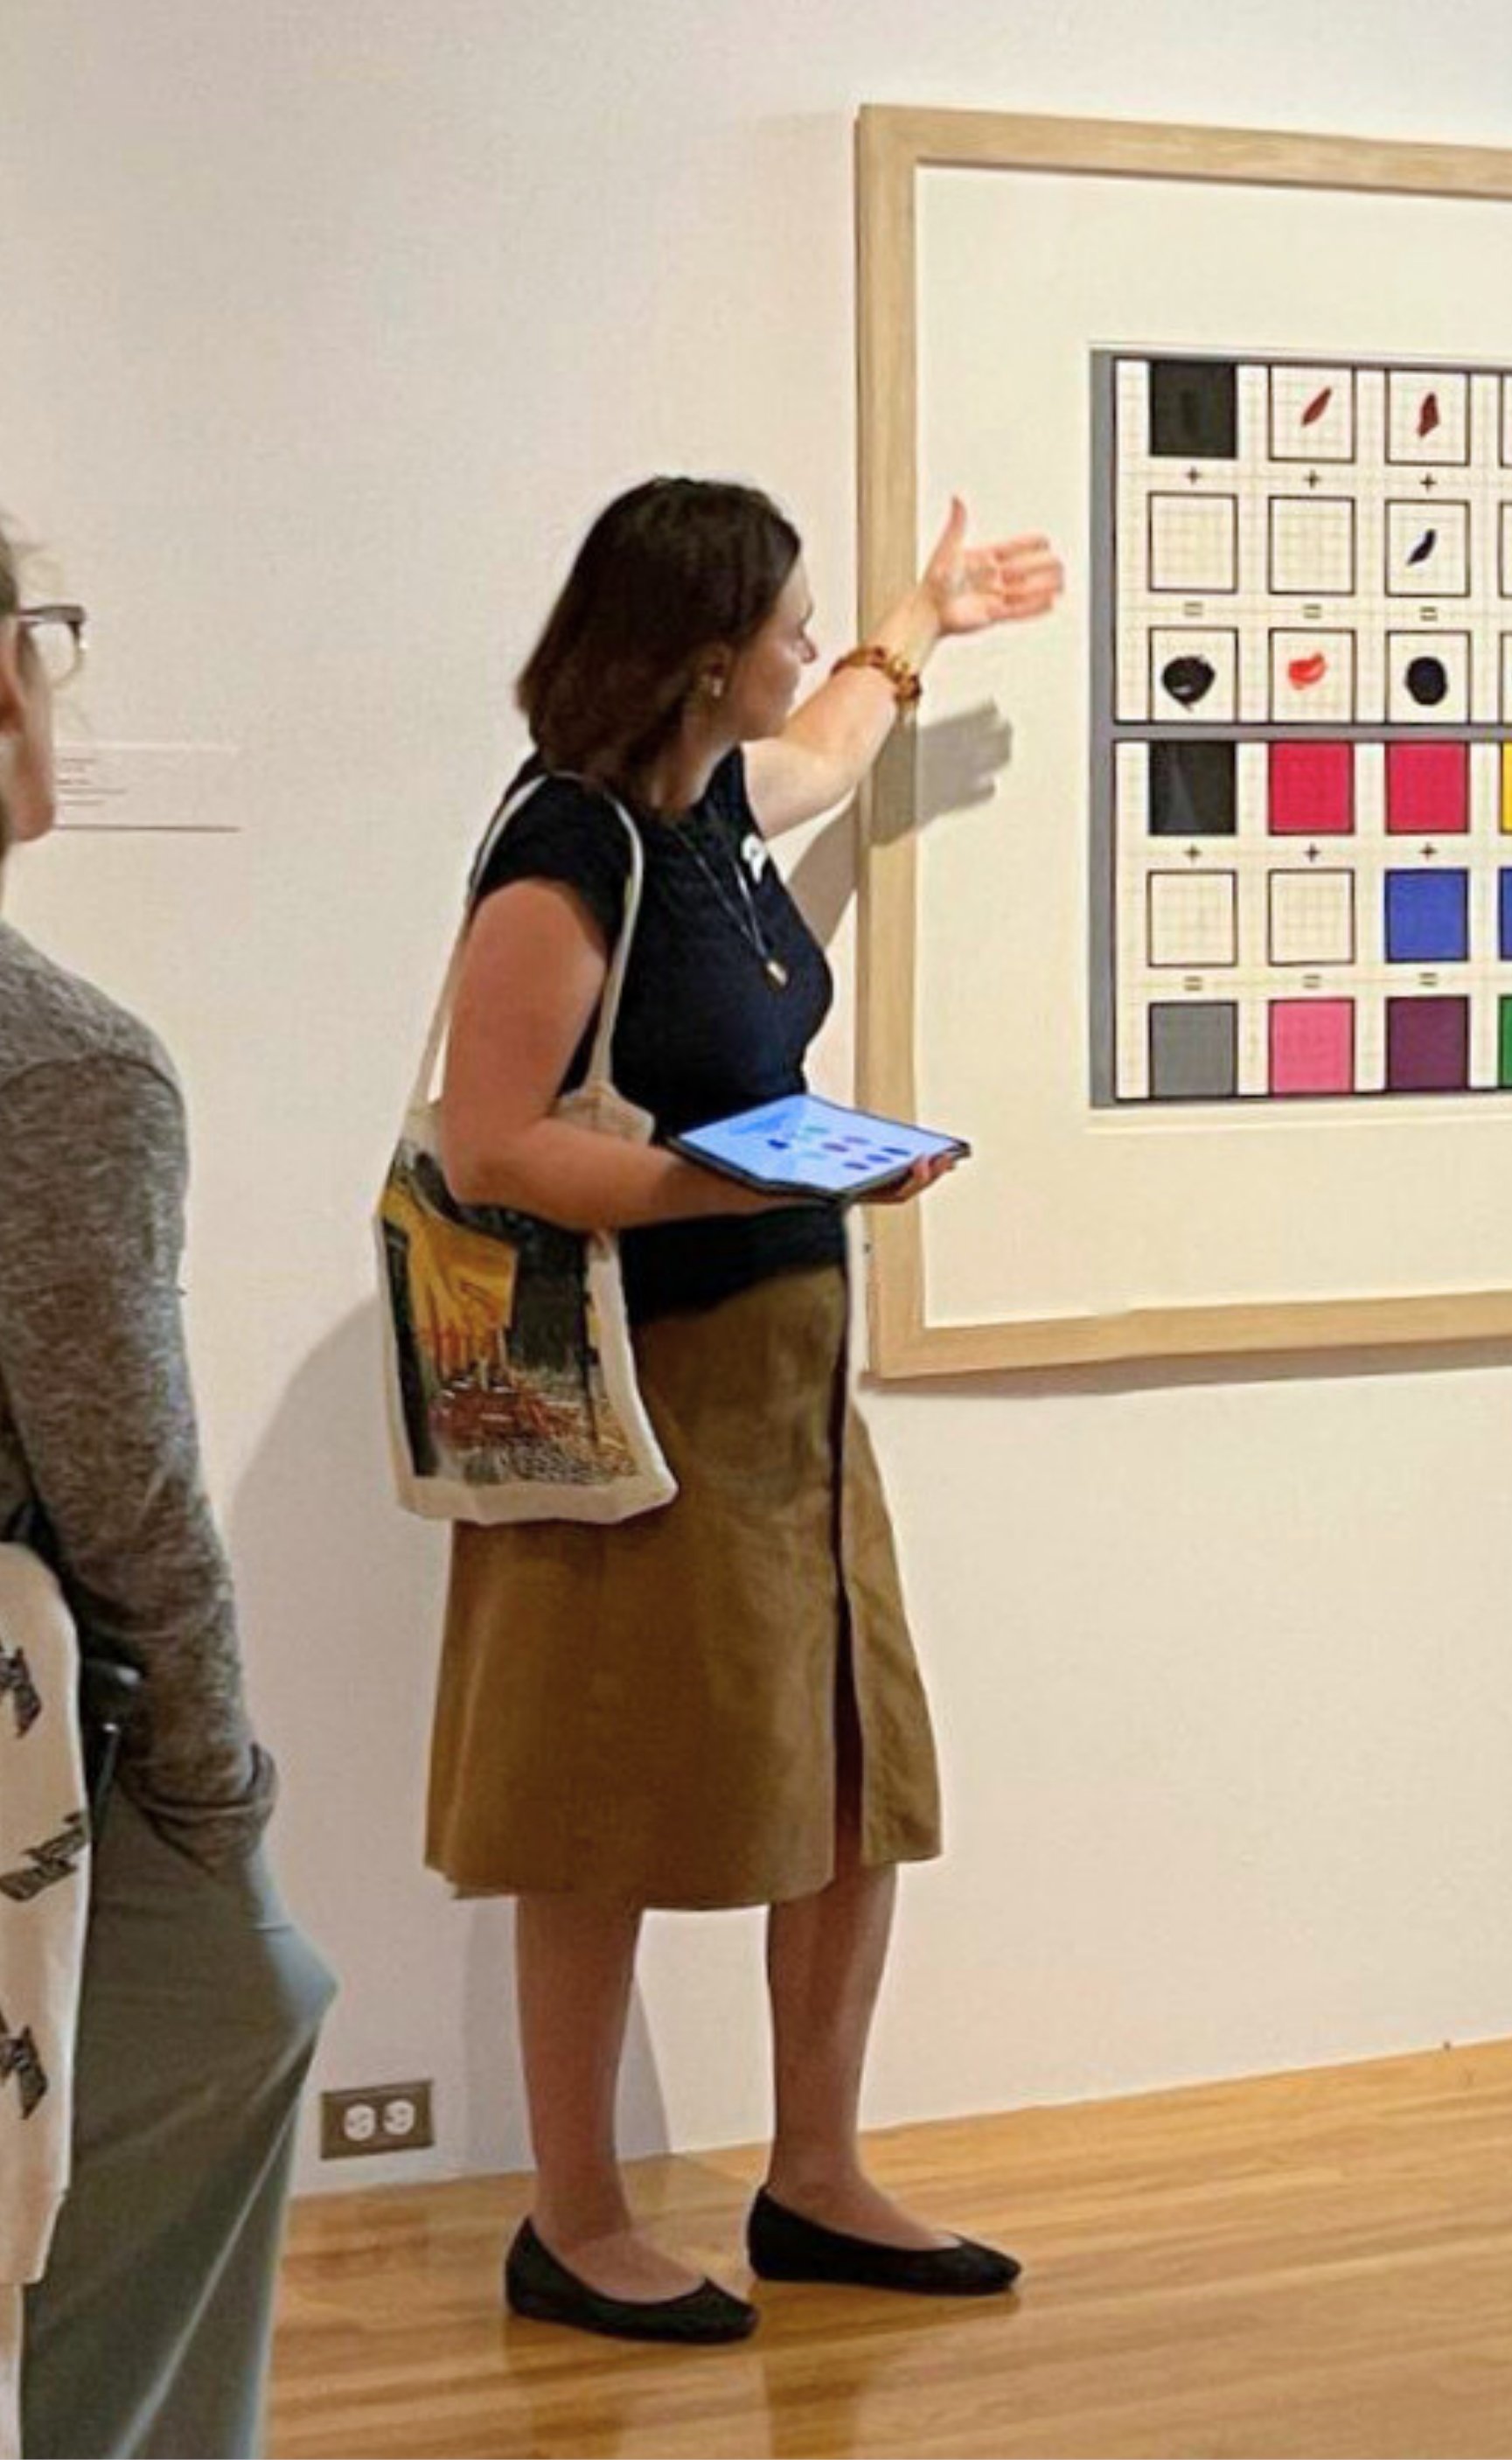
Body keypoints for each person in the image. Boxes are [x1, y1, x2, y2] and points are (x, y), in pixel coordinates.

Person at [426, 478, 1059, 2340]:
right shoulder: (569, 845)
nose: (806, 648)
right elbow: (491, 1142)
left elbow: (833, 744)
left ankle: (817, 2176)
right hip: (642, 1399)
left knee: (852, 1781)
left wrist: (923, 620)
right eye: (787, 623)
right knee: (596, 1802)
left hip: (790, 1395)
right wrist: (742, 1183)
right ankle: (573, 2220)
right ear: (705, 656)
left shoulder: (707, 800)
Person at [0, 526, 338, 2448]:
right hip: (33, 1786)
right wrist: (216, 1810)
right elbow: (129, 1502)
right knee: (234, 2020)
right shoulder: (57, 1071)